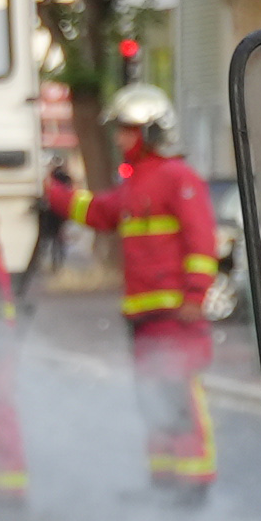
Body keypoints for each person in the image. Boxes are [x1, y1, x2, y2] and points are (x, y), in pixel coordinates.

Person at [58, 90, 226, 500]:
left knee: (179, 395)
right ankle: (165, 480)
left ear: (150, 131)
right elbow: (98, 212)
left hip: (173, 314)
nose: (119, 140)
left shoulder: (178, 178)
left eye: (127, 130)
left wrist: (194, 295)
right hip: (144, 316)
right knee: (153, 399)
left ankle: (194, 483)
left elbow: (202, 242)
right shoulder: (136, 184)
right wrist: (52, 194)